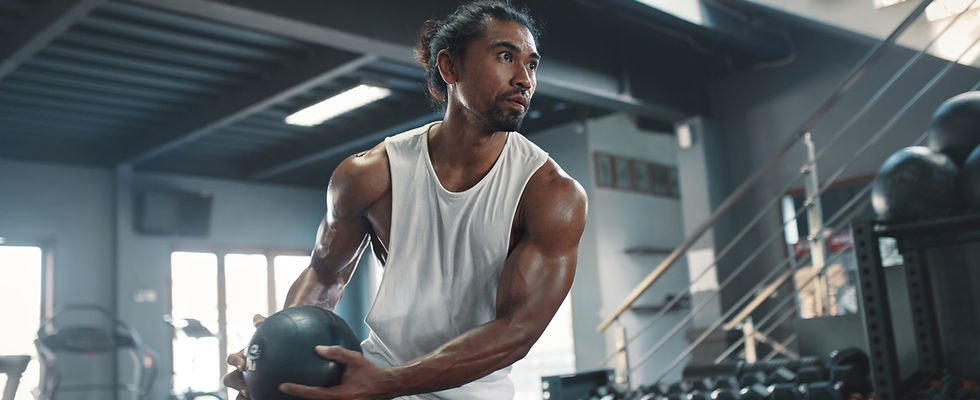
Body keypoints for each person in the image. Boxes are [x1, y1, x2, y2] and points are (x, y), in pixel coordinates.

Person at [224, 1, 587, 399]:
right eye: (505, 56)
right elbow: (326, 274)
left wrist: (391, 382)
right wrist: (276, 351)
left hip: (472, 391)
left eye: (532, 65)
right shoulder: (369, 174)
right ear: (450, 67)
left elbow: (517, 331)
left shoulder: (551, 193)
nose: (525, 79)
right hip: (376, 375)